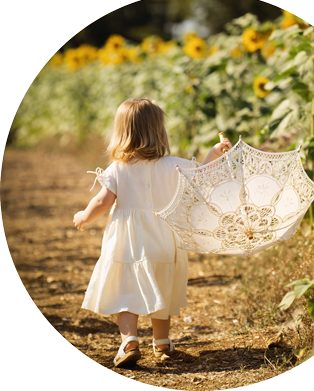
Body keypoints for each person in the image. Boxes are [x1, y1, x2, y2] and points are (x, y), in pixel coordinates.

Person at [73, 98, 232, 367]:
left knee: (126, 289)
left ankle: (129, 342)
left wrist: (84, 216)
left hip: (128, 243)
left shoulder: (118, 169)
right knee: (161, 289)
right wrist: (214, 154)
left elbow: (102, 201)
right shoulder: (173, 165)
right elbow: (202, 177)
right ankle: (161, 344)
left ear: (121, 133)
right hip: (164, 241)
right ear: (159, 131)